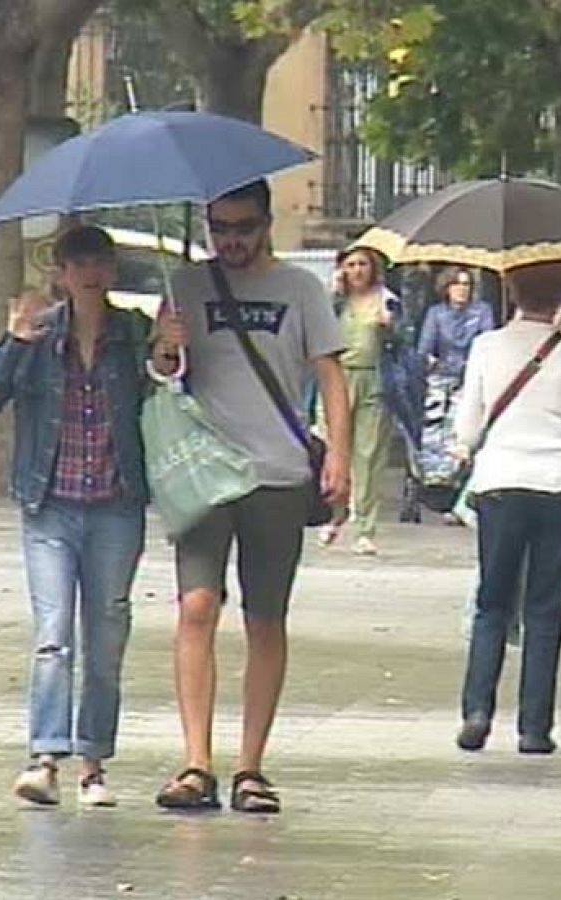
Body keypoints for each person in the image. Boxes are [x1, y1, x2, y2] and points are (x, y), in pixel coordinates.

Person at [153, 180, 352, 814]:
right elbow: (162, 377)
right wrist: (165, 348)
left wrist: (341, 457)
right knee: (196, 607)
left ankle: (250, 766)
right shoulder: (185, 285)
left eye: (242, 226)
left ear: (267, 223)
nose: (231, 240)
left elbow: (330, 373)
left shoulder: (300, 289)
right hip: (206, 474)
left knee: (265, 617)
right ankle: (195, 762)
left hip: (276, 473)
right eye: (219, 227)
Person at [0, 225, 173, 808]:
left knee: (107, 635)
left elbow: (167, 390)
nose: (88, 272)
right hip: (49, 505)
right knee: (54, 636)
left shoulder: (132, 333)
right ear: (59, 271)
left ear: (111, 270)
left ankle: (94, 761)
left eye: (98, 261)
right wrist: (14, 341)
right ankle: (45, 757)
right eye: (76, 262)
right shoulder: (39, 333)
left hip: (115, 503)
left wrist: (167, 355)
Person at [453, 260, 561, 756]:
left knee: (492, 601)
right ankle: (534, 727)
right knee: (545, 609)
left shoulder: (487, 347)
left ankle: (477, 709)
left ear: (510, 287)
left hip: (501, 484)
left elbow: (466, 430)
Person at [318, 247, 399, 555]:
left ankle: (365, 526)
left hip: (374, 379)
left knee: (369, 453)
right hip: (337, 377)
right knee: (334, 448)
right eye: (351, 264)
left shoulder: (387, 299)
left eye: (362, 264)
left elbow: (405, 340)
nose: (357, 270)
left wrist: (389, 327)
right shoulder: (335, 301)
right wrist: (333, 294)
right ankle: (334, 515)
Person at [414, 266, 496, 522]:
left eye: (466, 284)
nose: (462, 289)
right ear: (446, 288)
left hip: (471, 377)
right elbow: (425, 348)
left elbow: (487, 342)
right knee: (433, 429)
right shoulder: (436, 314)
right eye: (456, 284)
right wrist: (431, 364)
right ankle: (435, 485)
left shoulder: (481, 311)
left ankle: (459, 494)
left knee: (463, 433)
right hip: (441, 376)